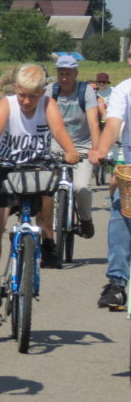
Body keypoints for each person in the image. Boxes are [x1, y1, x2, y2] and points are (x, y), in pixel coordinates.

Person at [0, 64, 79, 328]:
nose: (26, 101)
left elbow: (59, 130)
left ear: (42, 92)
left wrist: (70, 150)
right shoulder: (7, 105)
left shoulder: (48, 105)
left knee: (49, 193)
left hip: (36, 169)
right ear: (16, 89)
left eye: (33, 96)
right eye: (22, 94)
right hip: (5, 170)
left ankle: (47, 241)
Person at [39, 55, 99, 267]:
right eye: (61, 73)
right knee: (46, 192)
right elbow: (41, 119)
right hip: (55, 147)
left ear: (76, 73)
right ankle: (49, 239)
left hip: (82, 146)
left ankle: (85, 219)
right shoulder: (50, 91)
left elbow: (93, 122)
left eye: (68, 73)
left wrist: (96, 149)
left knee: (81, 187)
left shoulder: (85, 91)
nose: (64, 77)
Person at [89, 73, 131, 310]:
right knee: (120, 213)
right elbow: (114, 123)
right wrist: (102, 150)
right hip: (130, 168)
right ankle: (117, 284)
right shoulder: (124, 89)